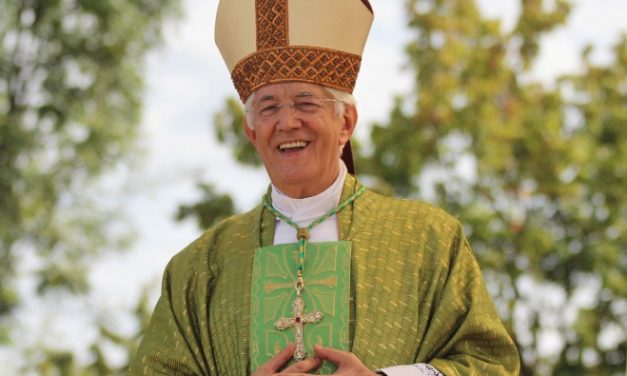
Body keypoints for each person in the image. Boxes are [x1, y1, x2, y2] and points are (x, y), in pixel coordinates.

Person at [129, 1, 520, 375]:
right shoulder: (200, 268)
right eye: (268, 108)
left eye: (305, 102)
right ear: (251, 131)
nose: (287, 123)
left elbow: (491, 364)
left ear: (346, 122)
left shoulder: (428, 240)